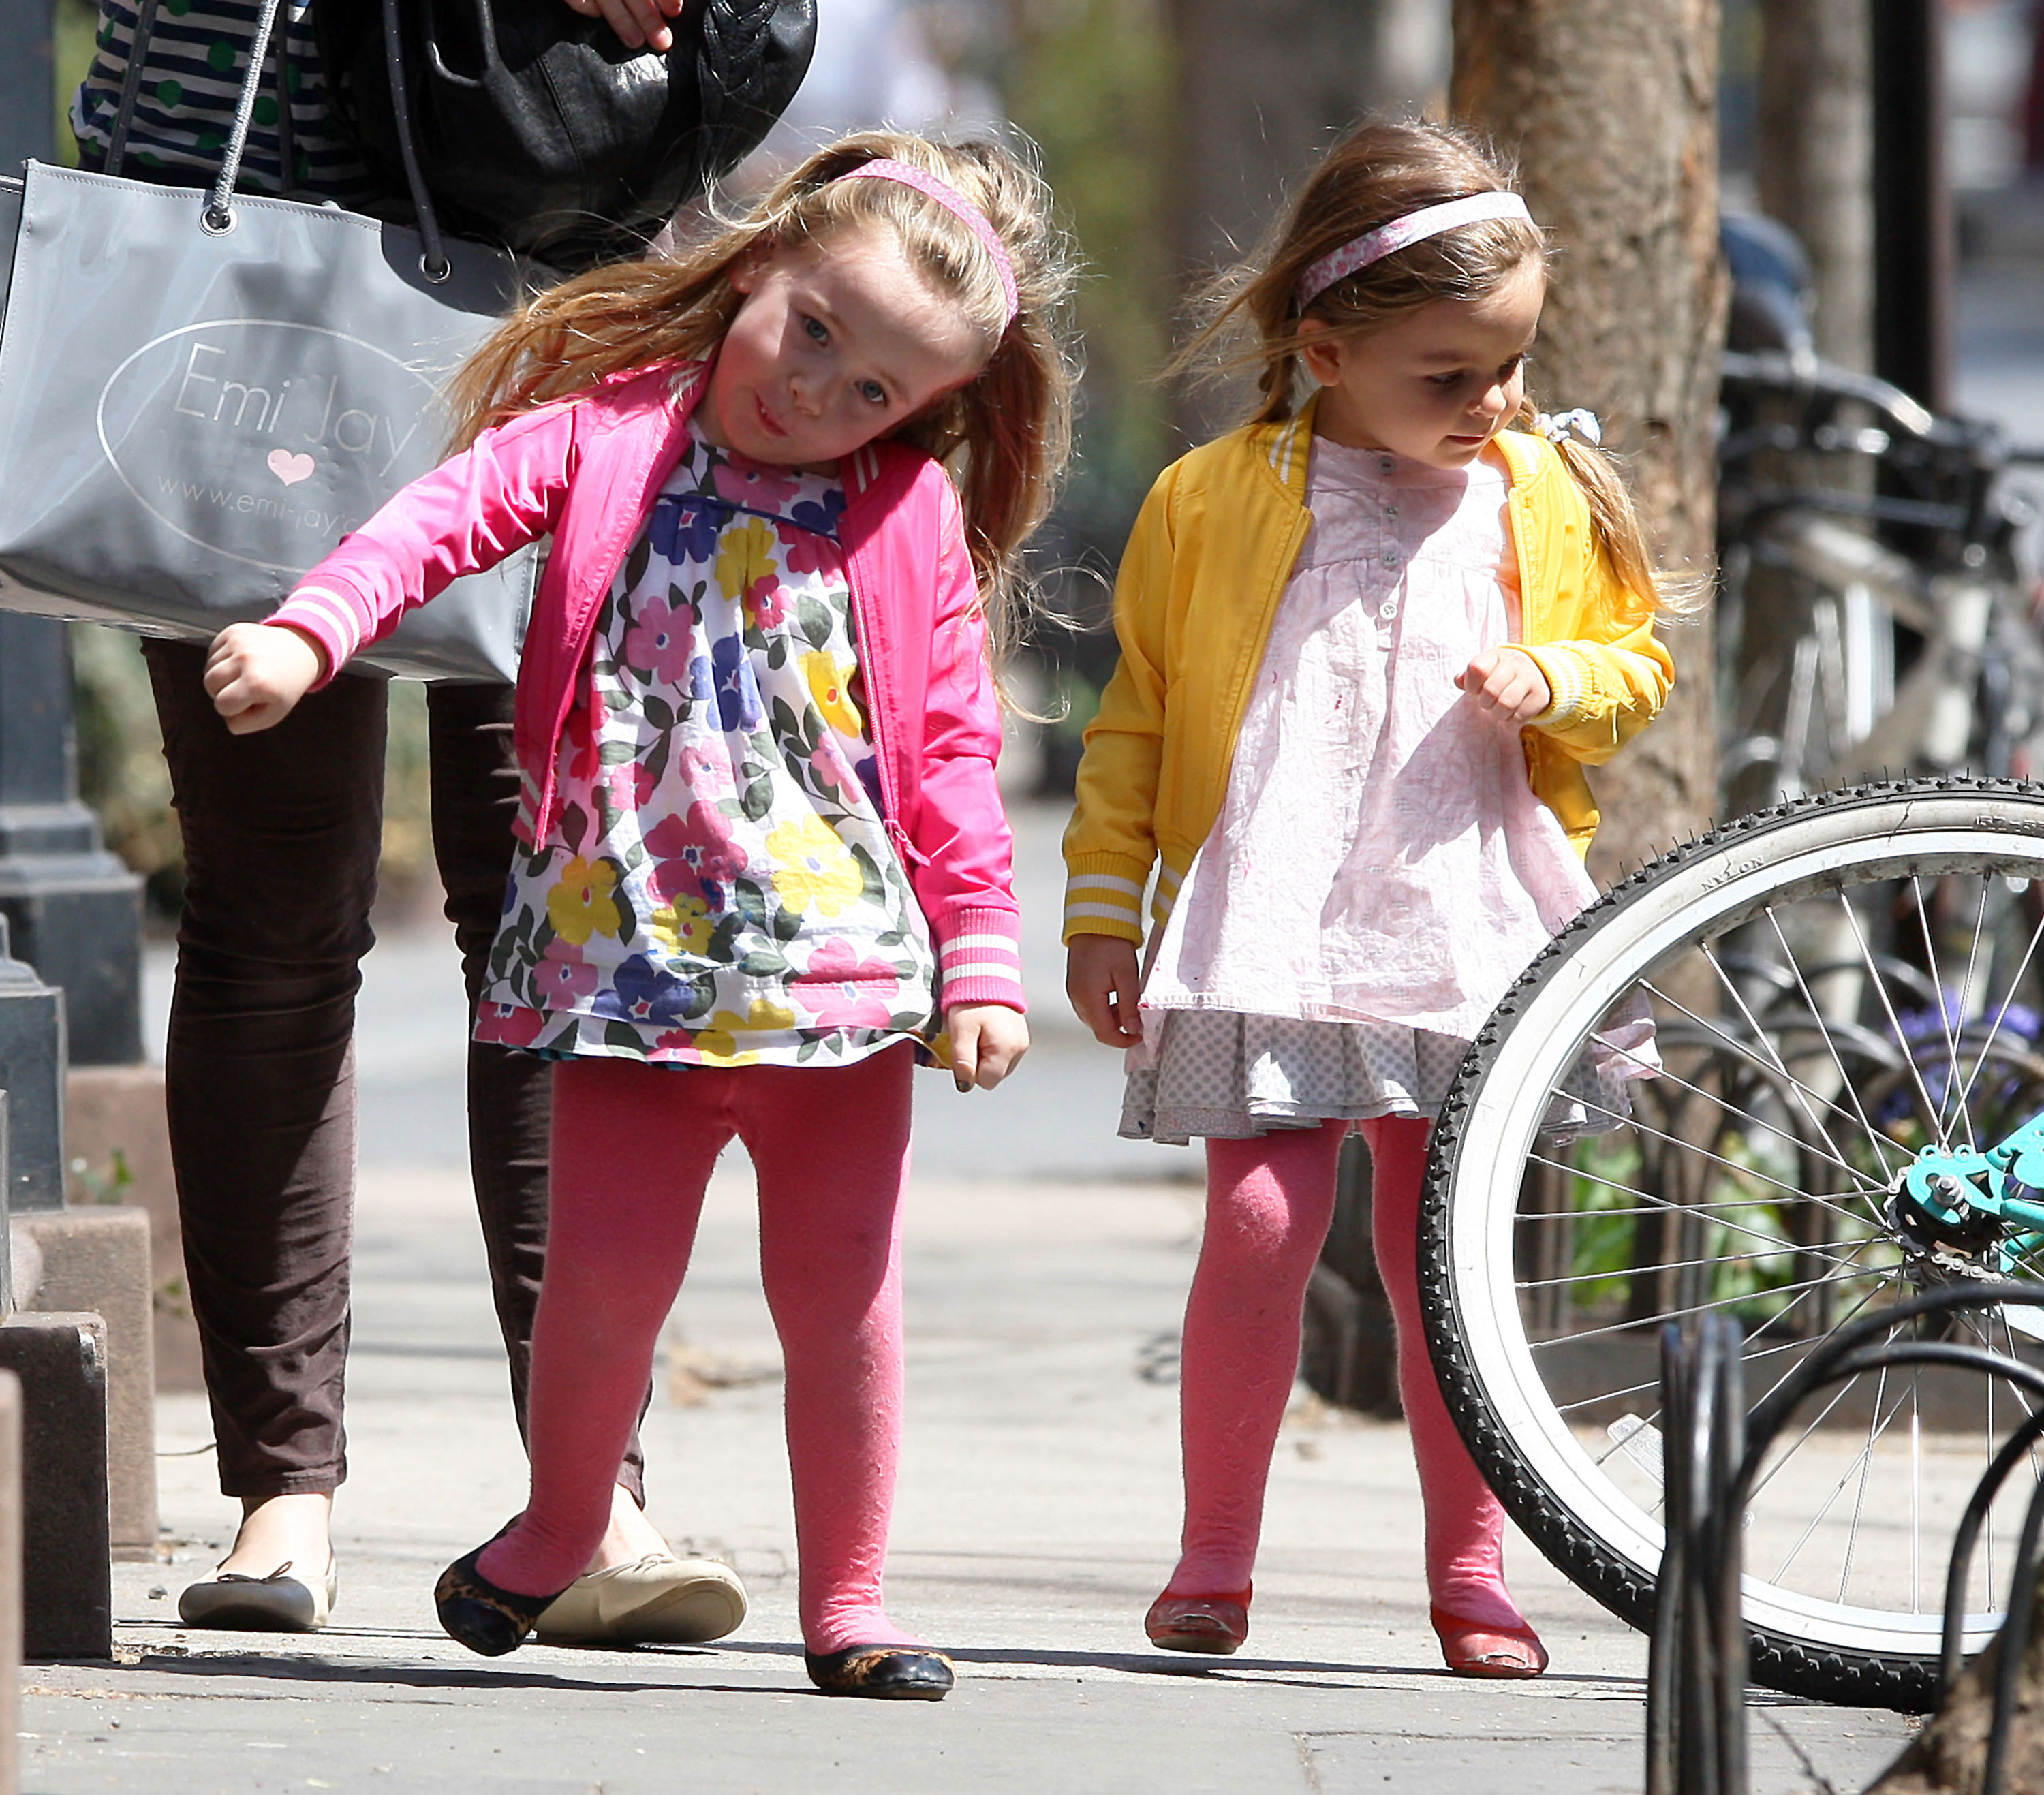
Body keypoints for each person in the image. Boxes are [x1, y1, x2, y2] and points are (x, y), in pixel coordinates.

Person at [199, 130, 1075, 1699]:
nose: (817, 392)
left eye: (874, 387)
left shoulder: (905, 524)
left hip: (842, 988)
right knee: (600, 1294)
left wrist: (986, 960)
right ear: (755, 268)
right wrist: (311, 632)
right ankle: (553, 1530)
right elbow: (440, 519)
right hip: (631, 972)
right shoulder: (604, 437)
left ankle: (853, 1601)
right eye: (812, 330)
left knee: (841, 1299)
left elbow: (951, 751)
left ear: (928, 413)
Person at [69, 0, 742, 1642]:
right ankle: (280, 1489)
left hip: (562, 285)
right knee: (275, 908)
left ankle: (594, 1492)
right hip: (247, 272)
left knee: (551, 909)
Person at [1060, 119, 1679, 1679]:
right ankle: (1214, 1555)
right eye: (1452, 374)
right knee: (1258, 1228)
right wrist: (1100, 906)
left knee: (1439, 1255)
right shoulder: (1214, 496)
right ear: (1325, 348)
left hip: (1459, 914)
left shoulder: (1536, 492)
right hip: (1268, 914)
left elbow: (1638, 665)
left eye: (1512, 364)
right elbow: (1135, 712)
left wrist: (1560, 678)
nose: (1497, 402)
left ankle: (1475, 1569)